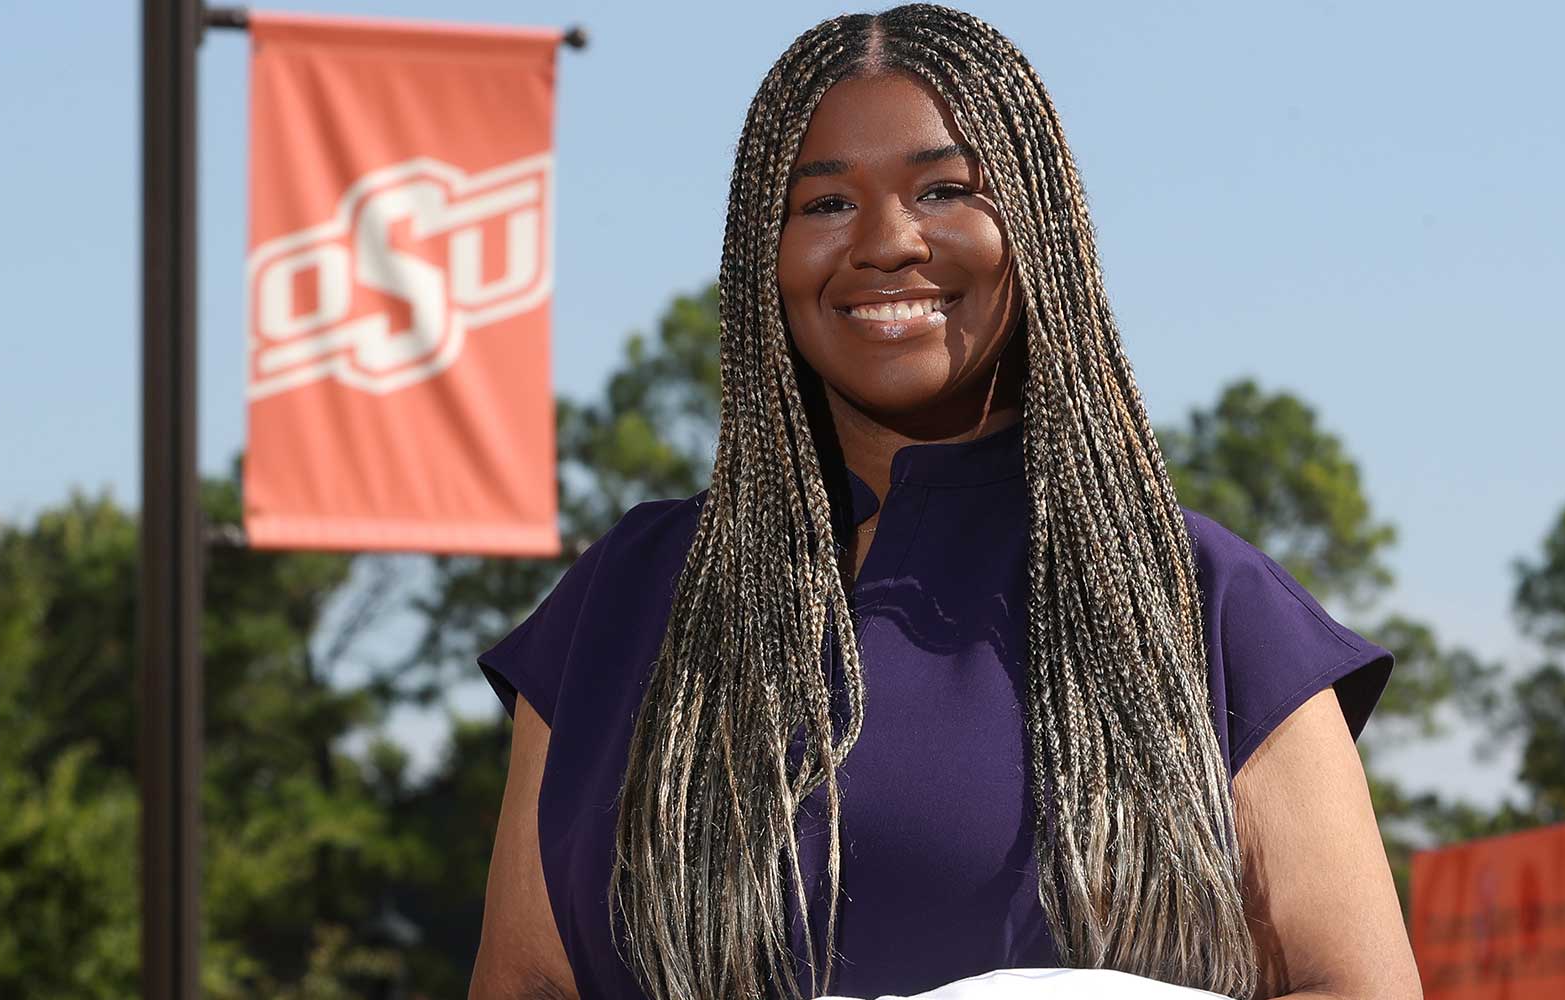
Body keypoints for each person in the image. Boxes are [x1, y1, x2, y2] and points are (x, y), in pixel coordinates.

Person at [471, 6, 1421, 999]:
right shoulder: (622, 598)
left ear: (1037, 230)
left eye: (944, 189)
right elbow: (523, 981)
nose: (884, 241)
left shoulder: (1205, 604)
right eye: (825, 204)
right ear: (766, 255)